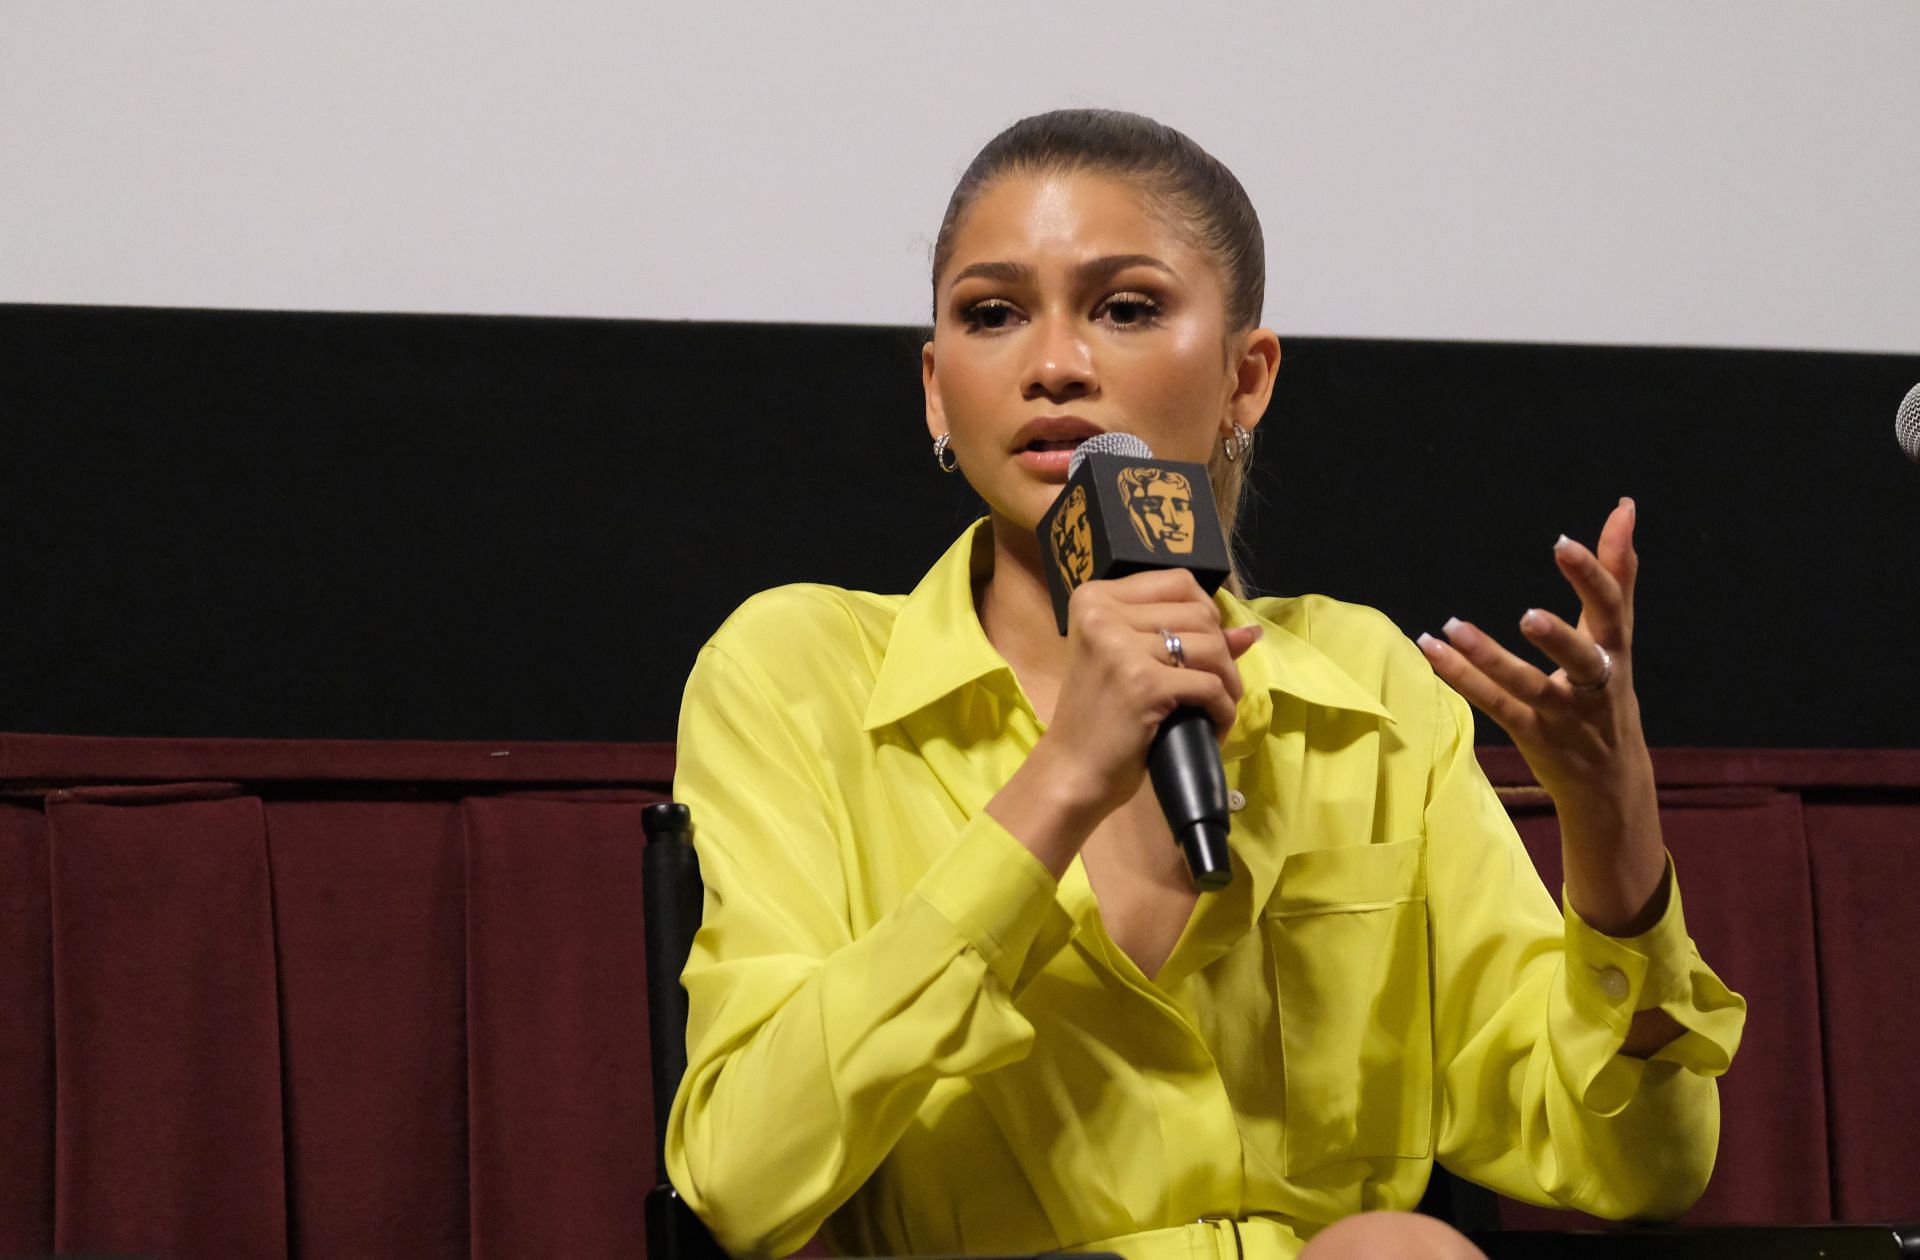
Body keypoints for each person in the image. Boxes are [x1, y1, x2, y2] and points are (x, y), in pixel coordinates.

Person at [665, 109, 1746, 1260]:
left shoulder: (1365, 688)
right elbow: (741, 1173)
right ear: (937, 391)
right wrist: (1063, 778)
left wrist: (1618, 843)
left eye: (1125, 307)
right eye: (993, 315)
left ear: (1247, 375)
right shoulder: (795, 672)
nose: (1054, 365)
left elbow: (1642, 1167)